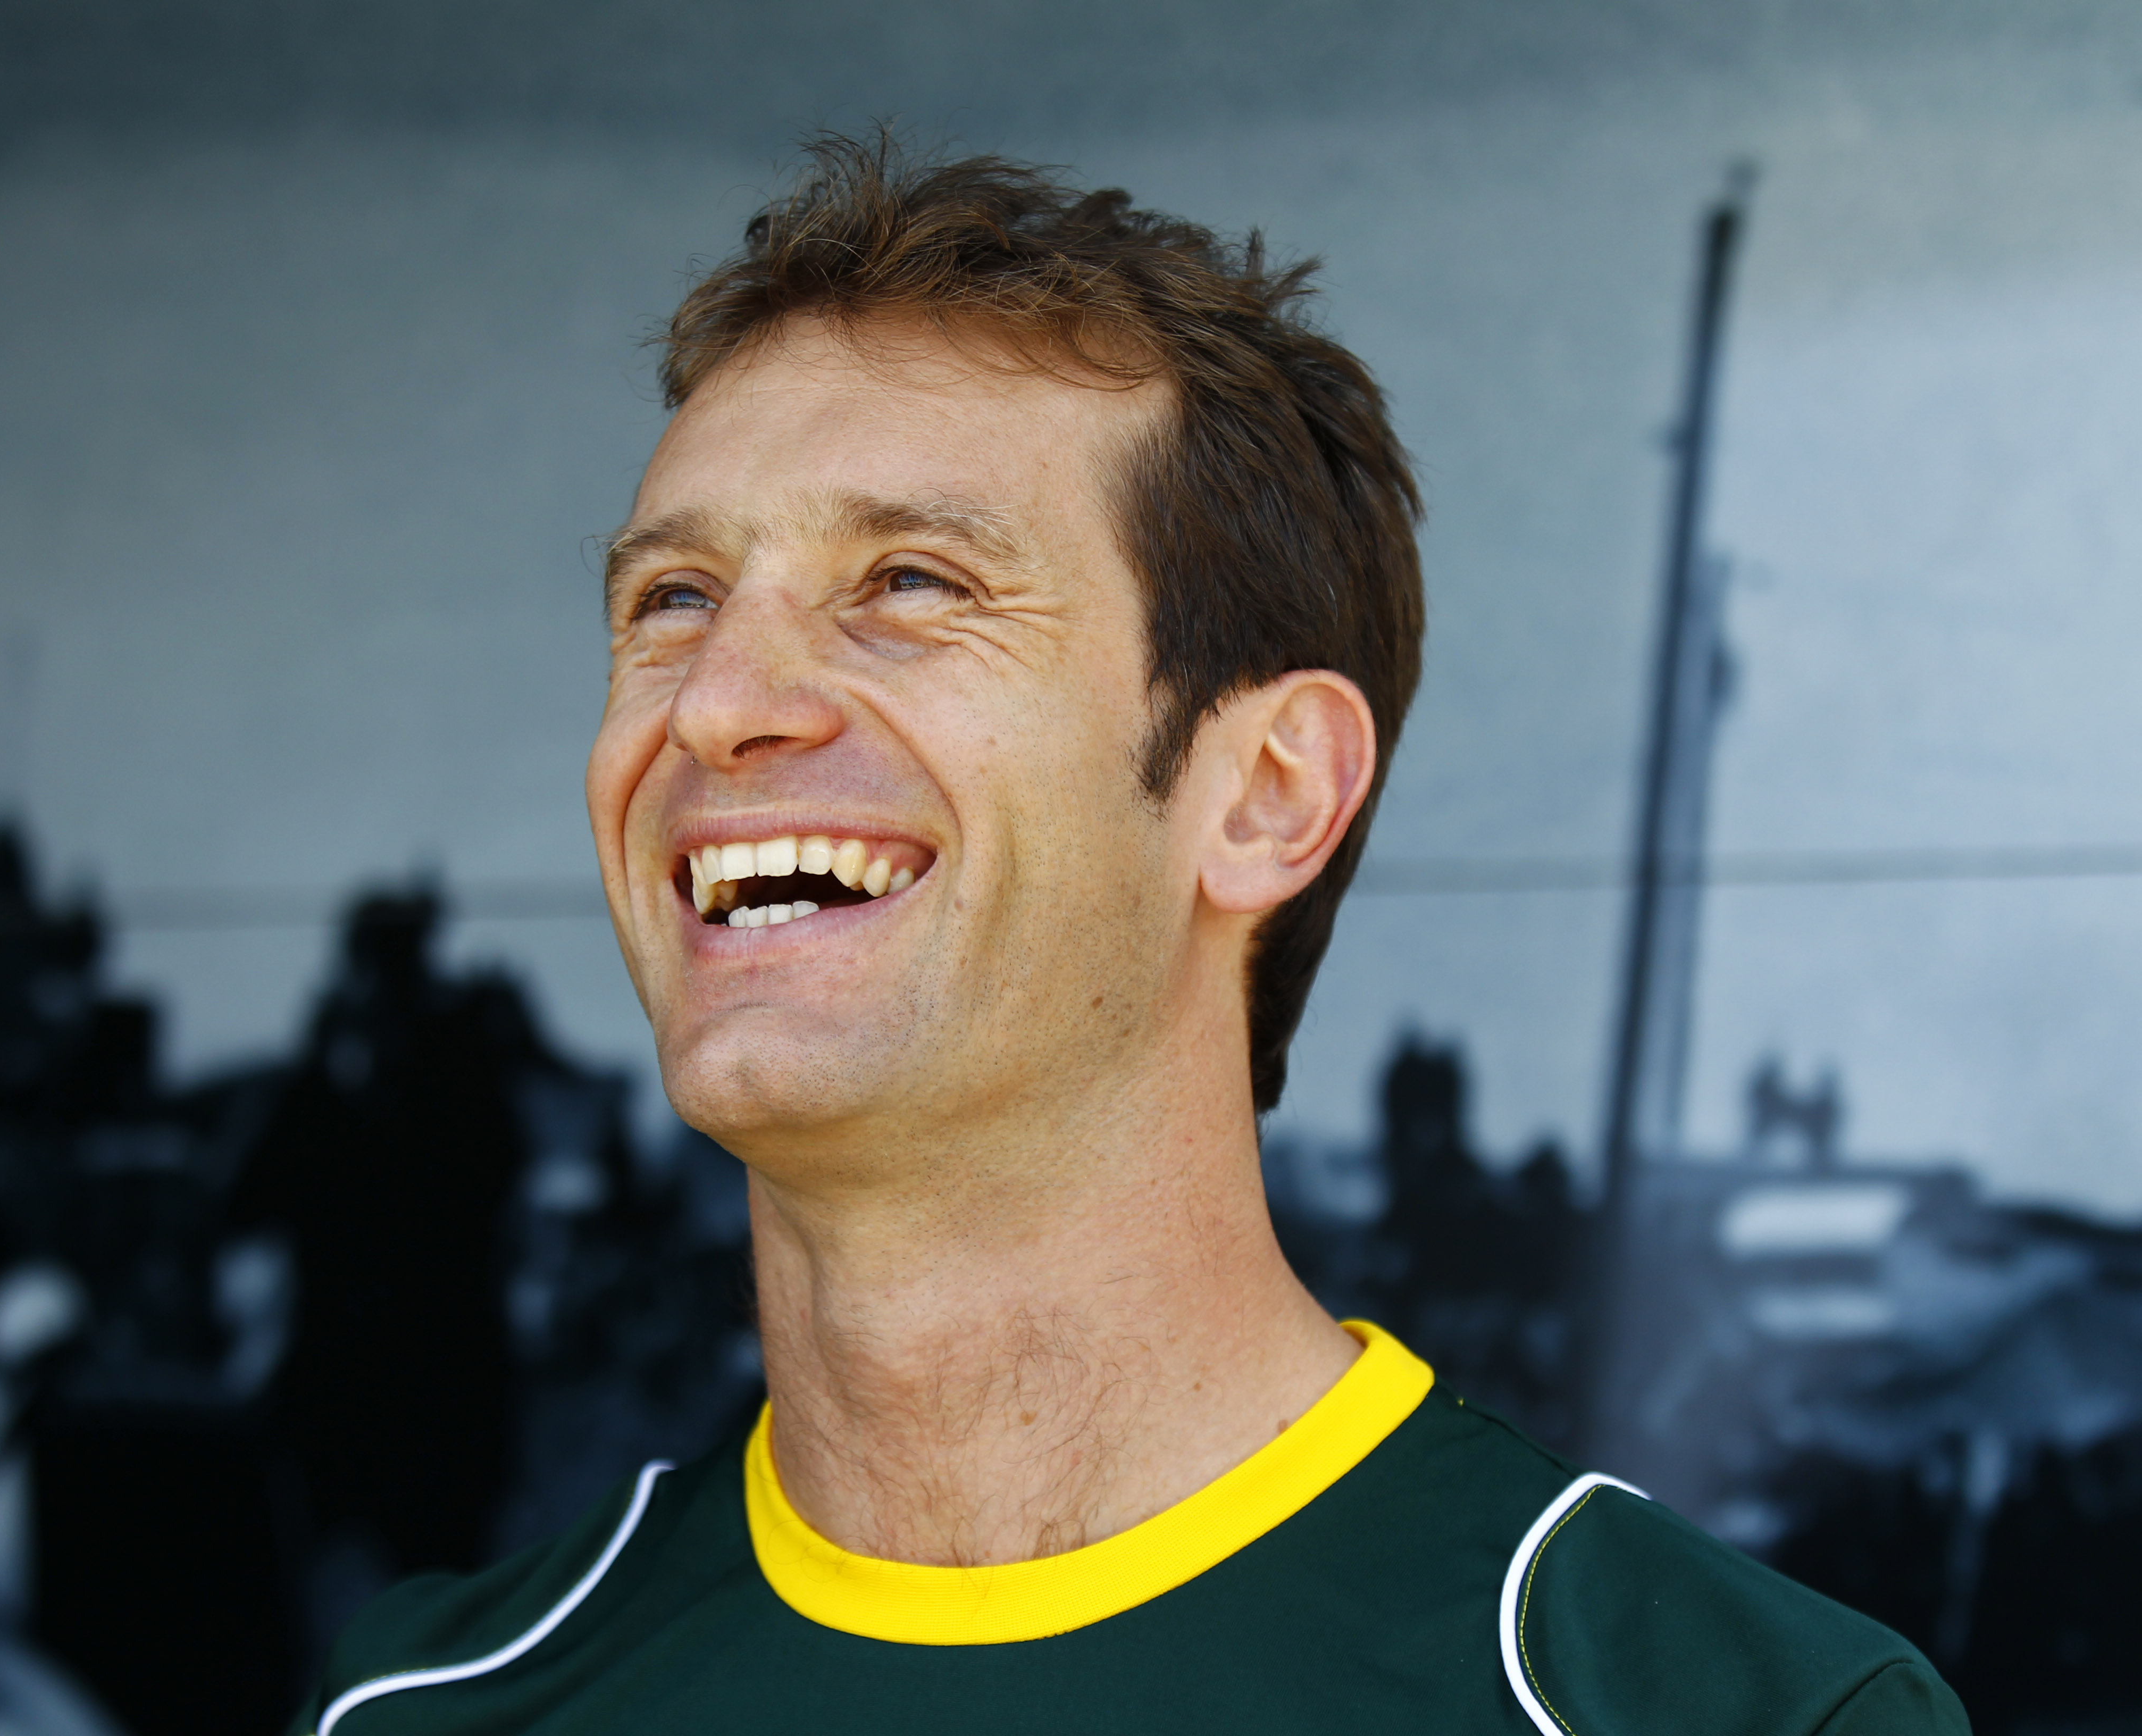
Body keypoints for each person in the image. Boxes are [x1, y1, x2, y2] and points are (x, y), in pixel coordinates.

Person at [299, 134, 1967, 1735]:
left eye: (913, 583)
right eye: (673, 600)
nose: (719, 703)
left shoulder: (1710, 1711)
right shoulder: (425, 1708)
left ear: (1266, 794)